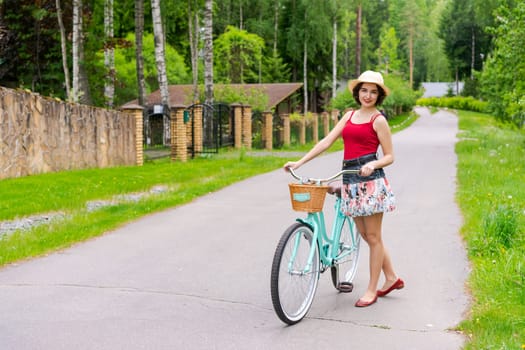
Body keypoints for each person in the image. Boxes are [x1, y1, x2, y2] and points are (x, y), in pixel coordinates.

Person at [284, 70, 404, 308]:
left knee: (373, 236)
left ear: (378, 95)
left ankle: (372, 289)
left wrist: (373, 164)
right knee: (366, 236)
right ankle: (391, 277)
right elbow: (326, 142)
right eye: (363, 90)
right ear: (357, 92)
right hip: (350, 179)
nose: (367, 95)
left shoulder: (378, 120)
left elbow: (390, 156)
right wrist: (299, 162)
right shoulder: (349, 116)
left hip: (370, 181)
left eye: (372, 91)